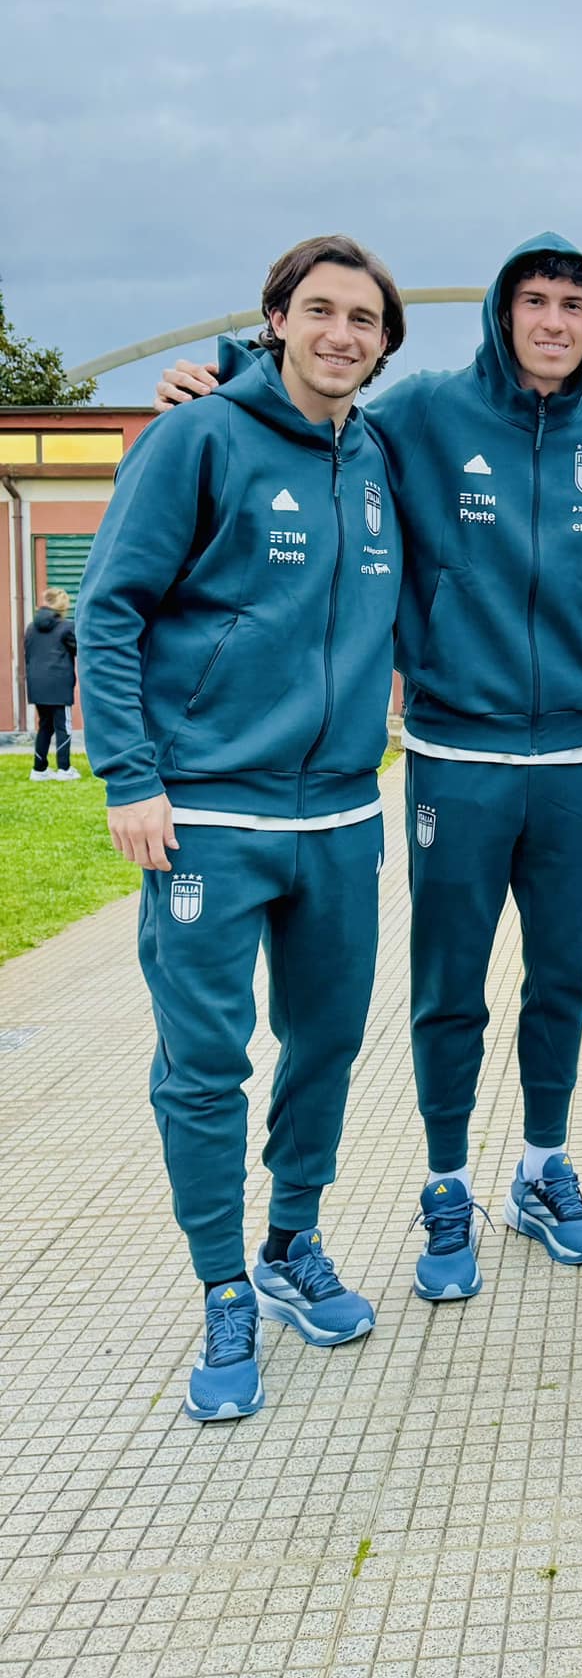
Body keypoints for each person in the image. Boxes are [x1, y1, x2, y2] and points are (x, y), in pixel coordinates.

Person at [158, 235, 582, 1299]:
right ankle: (445, 1184)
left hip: (580, 751)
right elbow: (310, 420)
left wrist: (571, 637)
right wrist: (220, 379)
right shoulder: (422, 410)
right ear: (501, 312)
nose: (554, 322)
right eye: (534, 301)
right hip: (456, 749)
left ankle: (543, 1167)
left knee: (563, 975)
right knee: (450, 982)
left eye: (573, 305)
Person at [79, 235, 405, 1422]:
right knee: (207, 1063)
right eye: (319, 310)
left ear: (384, 340)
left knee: (327, 1043)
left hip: (344, 810)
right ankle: (221, 1285)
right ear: (274, 319)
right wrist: (128, 775)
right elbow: (110, 608)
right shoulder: (196, 436)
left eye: (363, 318)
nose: (341, 333)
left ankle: (289, 1242)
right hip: (208, 814)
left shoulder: (378, 455)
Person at [25, 588, 80, 781]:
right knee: (63, 726)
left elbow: (29, 654)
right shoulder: (67, 627)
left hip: (36, 684)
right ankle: (64, 769)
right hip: (59, 684)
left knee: (45, 726)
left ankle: (39, 769)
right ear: (63, 606)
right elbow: (78, 649)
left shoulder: (31, 627)